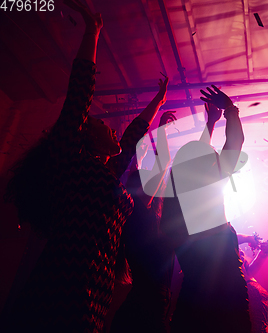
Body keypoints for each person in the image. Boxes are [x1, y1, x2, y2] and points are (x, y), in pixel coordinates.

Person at [2, 1, 167, 330]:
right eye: (104, 126)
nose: (112, 128)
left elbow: (134, 135)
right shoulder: (70, 162)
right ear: (84, 139)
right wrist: (92, 33)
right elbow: (79, 96)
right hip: (62, 286)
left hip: (96, 291)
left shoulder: (105, 174)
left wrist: (158, 102)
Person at [160, 88, 251, 333]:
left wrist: (211, 125)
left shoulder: (177, 213)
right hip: (226, 301)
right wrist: (230, 109)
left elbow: (194, 160)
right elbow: (234, 143)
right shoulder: (211, 191)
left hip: (192, 303)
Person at [110, 111, 177, 333]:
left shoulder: (135, 216)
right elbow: (164, 162)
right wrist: (162, 129)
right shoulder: (140, 213)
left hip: (147, 299)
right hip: (150, 302)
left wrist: (140, 154)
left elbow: (134, 174)